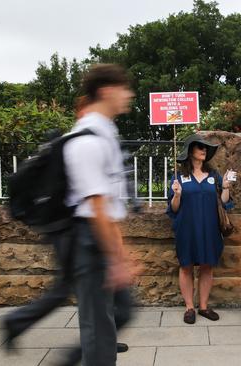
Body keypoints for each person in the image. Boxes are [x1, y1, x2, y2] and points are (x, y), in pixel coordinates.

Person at [1, 93, 130, 360]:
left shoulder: (84, 138)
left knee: (85, 297)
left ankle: (91, 346)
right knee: (86, 297)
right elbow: (93, 200)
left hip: (74, 234)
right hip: (76, 234)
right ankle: (79, 353)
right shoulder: (81, 141)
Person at [63, 64, 140, 366]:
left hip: (99, 237)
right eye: (125, 88)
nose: (129, 95)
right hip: (88, 239)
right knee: (98, 328)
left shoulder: (105, 132)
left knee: (118, 314)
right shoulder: (87, 138)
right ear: (107, 91)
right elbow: (96, 207)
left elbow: (108, 204)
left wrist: (120, 253)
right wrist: (116, 259)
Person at [167, 134, 234, 324]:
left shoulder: (214, 177)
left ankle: (203, 306)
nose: (204, 150)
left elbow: (223, 203)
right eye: (200, 147)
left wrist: (226, 187)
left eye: (206, 148)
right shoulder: (179, 177)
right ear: (190, 152)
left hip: (210, 228)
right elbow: (173, 209)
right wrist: (177, 195)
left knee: (207, 265)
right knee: (186, 265)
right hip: (187, 228)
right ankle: (189, 307)